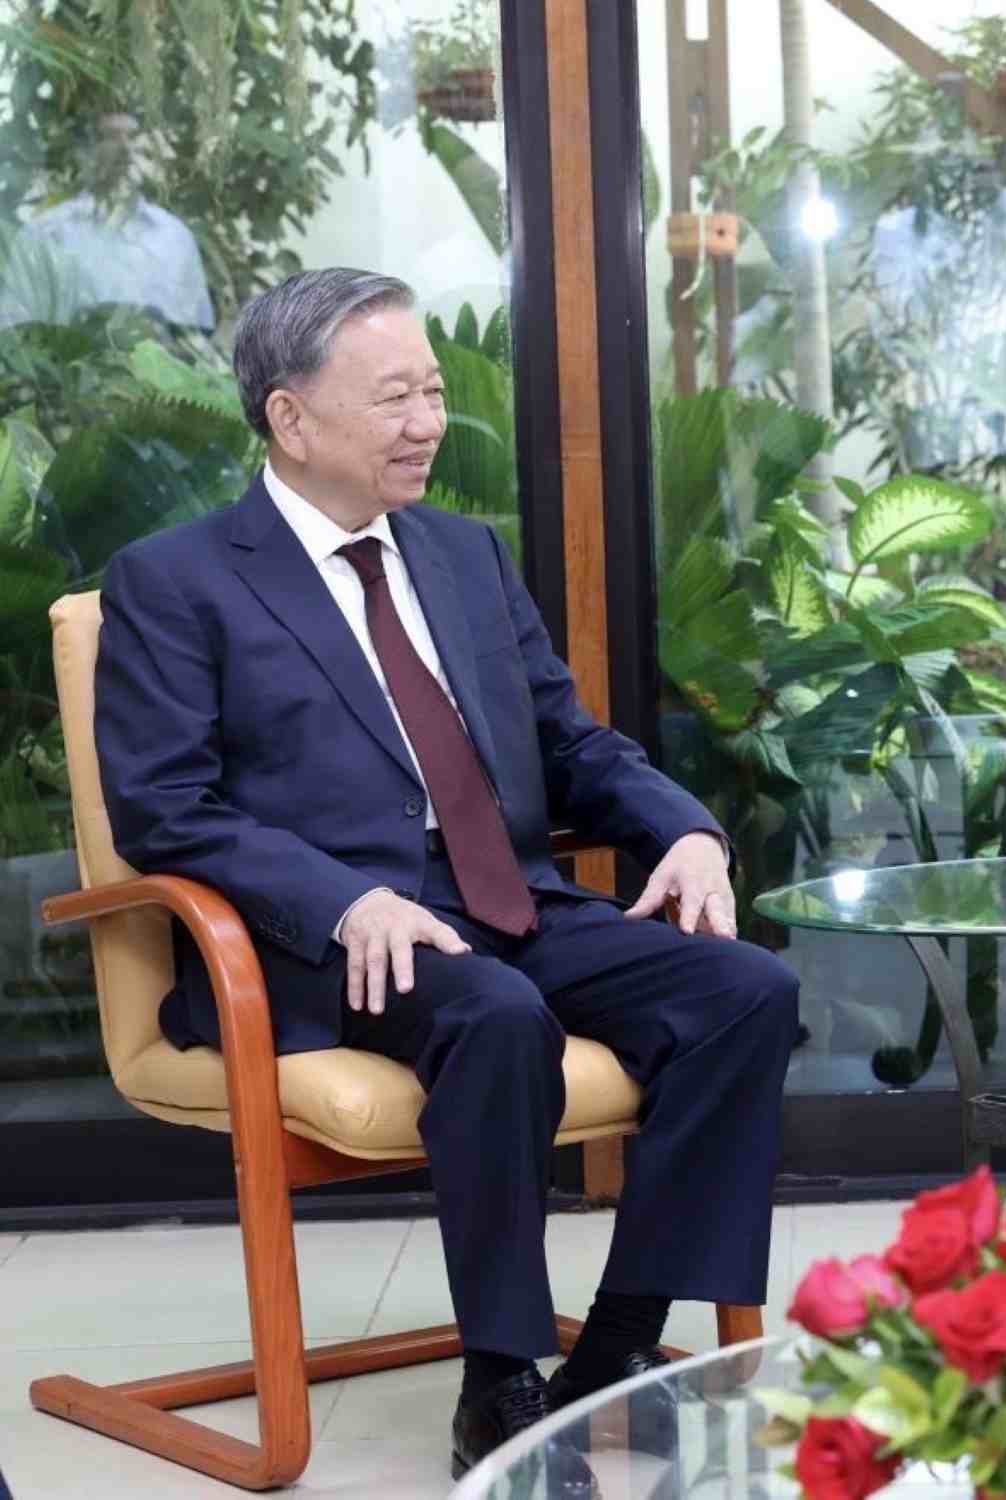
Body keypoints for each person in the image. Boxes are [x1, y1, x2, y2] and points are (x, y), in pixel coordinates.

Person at [94, 268, 799, 1492]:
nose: (428, 420)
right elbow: (166, 808)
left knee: (743, 991)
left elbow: (571, 745)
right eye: (394, 397)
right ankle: (502, 1377)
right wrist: (338, 897)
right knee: (495, 1013)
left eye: (431, 390)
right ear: (290, 417)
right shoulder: (178, 579)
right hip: (321, 941)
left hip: (503, 900)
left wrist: (685, 830)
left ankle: (618, 1352)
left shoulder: (465, 557)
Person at [0, 111, 214, 331]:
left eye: (134, 137)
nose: (126, 148)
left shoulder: (175, 237)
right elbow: (15, 330)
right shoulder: (46, 233)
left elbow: (195, 337)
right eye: (111, 136)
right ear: (86, 152)